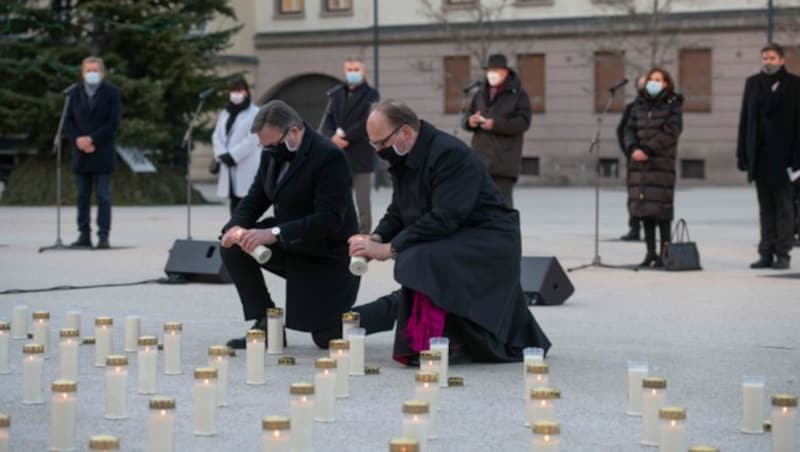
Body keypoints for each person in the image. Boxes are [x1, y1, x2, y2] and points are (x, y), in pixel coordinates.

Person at [349, 100, 550, 364]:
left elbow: (445, 217)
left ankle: (435, 341)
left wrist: (390, 249)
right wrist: (375, 238)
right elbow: (400, 208)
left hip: (489, 240)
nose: (378, 151)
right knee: (418, 256)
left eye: (381, 143)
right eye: (373, 144)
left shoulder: (448, 154)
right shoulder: (404, 155)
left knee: (420, 257)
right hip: (458, 234)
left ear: (406, 132)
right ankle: (416, 337)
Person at [219, 100, 360, 349]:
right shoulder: (272, 154)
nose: (269, 151)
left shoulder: (329, 156)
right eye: (264, 146)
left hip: (328, 255)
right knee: (234, 246)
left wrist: (273, 233)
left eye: (273, 145)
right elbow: (256, 197)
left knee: (326, 338)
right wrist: (234, 228)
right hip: (291, 243)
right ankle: (266, 323)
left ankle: (385, 309)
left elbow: (329, 219)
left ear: (294, 131)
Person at [737, 43, 800, 270]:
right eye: (764, 57)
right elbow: (745, 120)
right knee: (765, 208)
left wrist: (797, 160)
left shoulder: (795, 84)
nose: (767, 61)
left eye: (772, 57)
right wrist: (742, 154)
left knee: (784, 208)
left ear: (781, 60)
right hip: (760, 157)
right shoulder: (753, 83)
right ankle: (765, 253)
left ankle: (783, 254)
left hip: (785, 159)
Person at [623, 68, 684, 268]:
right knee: (645, 210)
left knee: (662, 211)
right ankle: (650, 253)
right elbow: (629, 129)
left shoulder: (672, 105)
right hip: (639, 164)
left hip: (660, 163)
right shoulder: (638, 105)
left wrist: (648, 149)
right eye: (651, 79)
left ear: (667, 83)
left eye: (658, 80)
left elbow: (671, 131)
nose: (654, 83)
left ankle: (665, 254)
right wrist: (633, 148)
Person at [64, 56, 122, 249]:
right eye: (88, 70)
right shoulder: (74, 93)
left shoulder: (112, 93)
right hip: (81, 153)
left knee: (103, 196)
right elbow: (68, 120)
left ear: (102, 73)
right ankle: (84, 235)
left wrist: (92, 139)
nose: (92, 74)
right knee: (82, 196)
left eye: (95, 70)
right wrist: (79, 140)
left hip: (102, 152)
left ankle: (103, 236)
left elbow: (113, 122)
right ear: (82, 73)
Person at [462, 53, 532, 208]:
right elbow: (465, 117)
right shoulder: (479, 93)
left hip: (503, 162)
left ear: (506, 72)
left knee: (502, 206)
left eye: (498, 71)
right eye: (491, 71)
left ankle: (506, 233)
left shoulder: (519, 95)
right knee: (479, 206)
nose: (493, 75)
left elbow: (523, 122)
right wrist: (470, 121)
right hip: (480, 160)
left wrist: (495, 124)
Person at [320, 56, 380, 234]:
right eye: (349, 70)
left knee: (362, 201)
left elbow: (368, 121)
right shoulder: (336, 93)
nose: (353, 73)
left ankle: (363, 235)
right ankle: (339, 232)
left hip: (360, 154)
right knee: (338, 198)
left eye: (356, 69)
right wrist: (332, 137)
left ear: (363, 71)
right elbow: (327, 119)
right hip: (337, 154)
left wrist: (346, 135)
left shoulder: (371, 95)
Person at [212, 77, 260, 215]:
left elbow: (253, 138)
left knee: (245, 202)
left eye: (238, 90)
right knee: (233, 201)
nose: (235, 94)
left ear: (246, 92)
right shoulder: (225, 113)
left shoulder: (254, 112)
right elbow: (217, 135)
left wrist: (233, 155)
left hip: (245, 163)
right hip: (228, 164)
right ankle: (233, 232)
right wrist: (222, 154)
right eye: (233, 91)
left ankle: (244, 234)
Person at [616, 76, 648, 241]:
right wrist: (630, 151)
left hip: (654, 159)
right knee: (634, 195)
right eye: (641, 85)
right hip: (634, 159)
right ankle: (634, 228)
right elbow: (623, 131)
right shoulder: (631, 108)